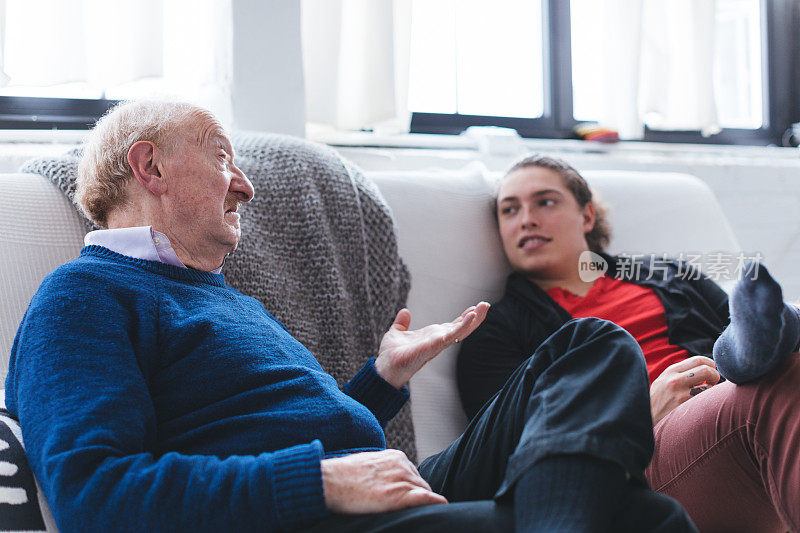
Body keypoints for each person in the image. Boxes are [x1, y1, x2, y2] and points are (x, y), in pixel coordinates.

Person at [3, 101, 695, 533]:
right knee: (646, 516)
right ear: (149, 165)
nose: (245, 183)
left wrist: (380, 380)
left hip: (369, 482)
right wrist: (322, 482)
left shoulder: (225, 297)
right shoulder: (82, 296)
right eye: (221, 158)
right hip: (311, 514)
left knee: (592, 343)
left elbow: (280, 427)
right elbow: (95, 495)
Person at [457, 154, 800, 533]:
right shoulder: (492, 332)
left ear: (587, 216)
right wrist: (636, 415)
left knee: (774, 353)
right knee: (772, 389)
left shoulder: (669, 274)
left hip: (725, 396)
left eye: (545, 201)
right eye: (509, 210)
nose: (526, 219)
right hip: (639, 461)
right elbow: (501, 460)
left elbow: (752, 321)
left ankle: (745, 354)